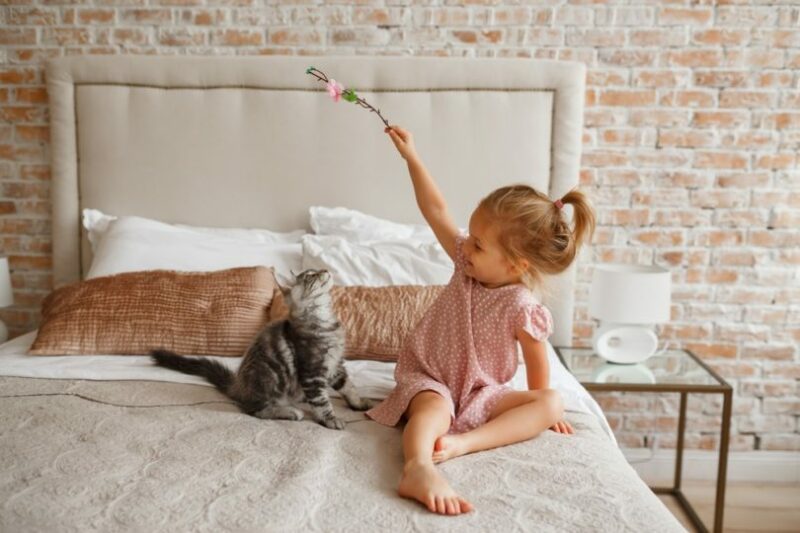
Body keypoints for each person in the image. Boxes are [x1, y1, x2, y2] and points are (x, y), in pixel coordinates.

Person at [366, 125, 597, 516]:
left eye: (478, 243)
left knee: (553, 403)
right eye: (469, 237)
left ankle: (464, 444)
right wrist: (413, 158)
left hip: (481, 392)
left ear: (516, 264)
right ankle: (418, 467)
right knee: (432, 410)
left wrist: (544, 411)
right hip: (432, 378)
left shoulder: (522, 305)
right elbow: (436, 210)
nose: (466, 246)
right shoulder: (464, 263)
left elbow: (539, 369)